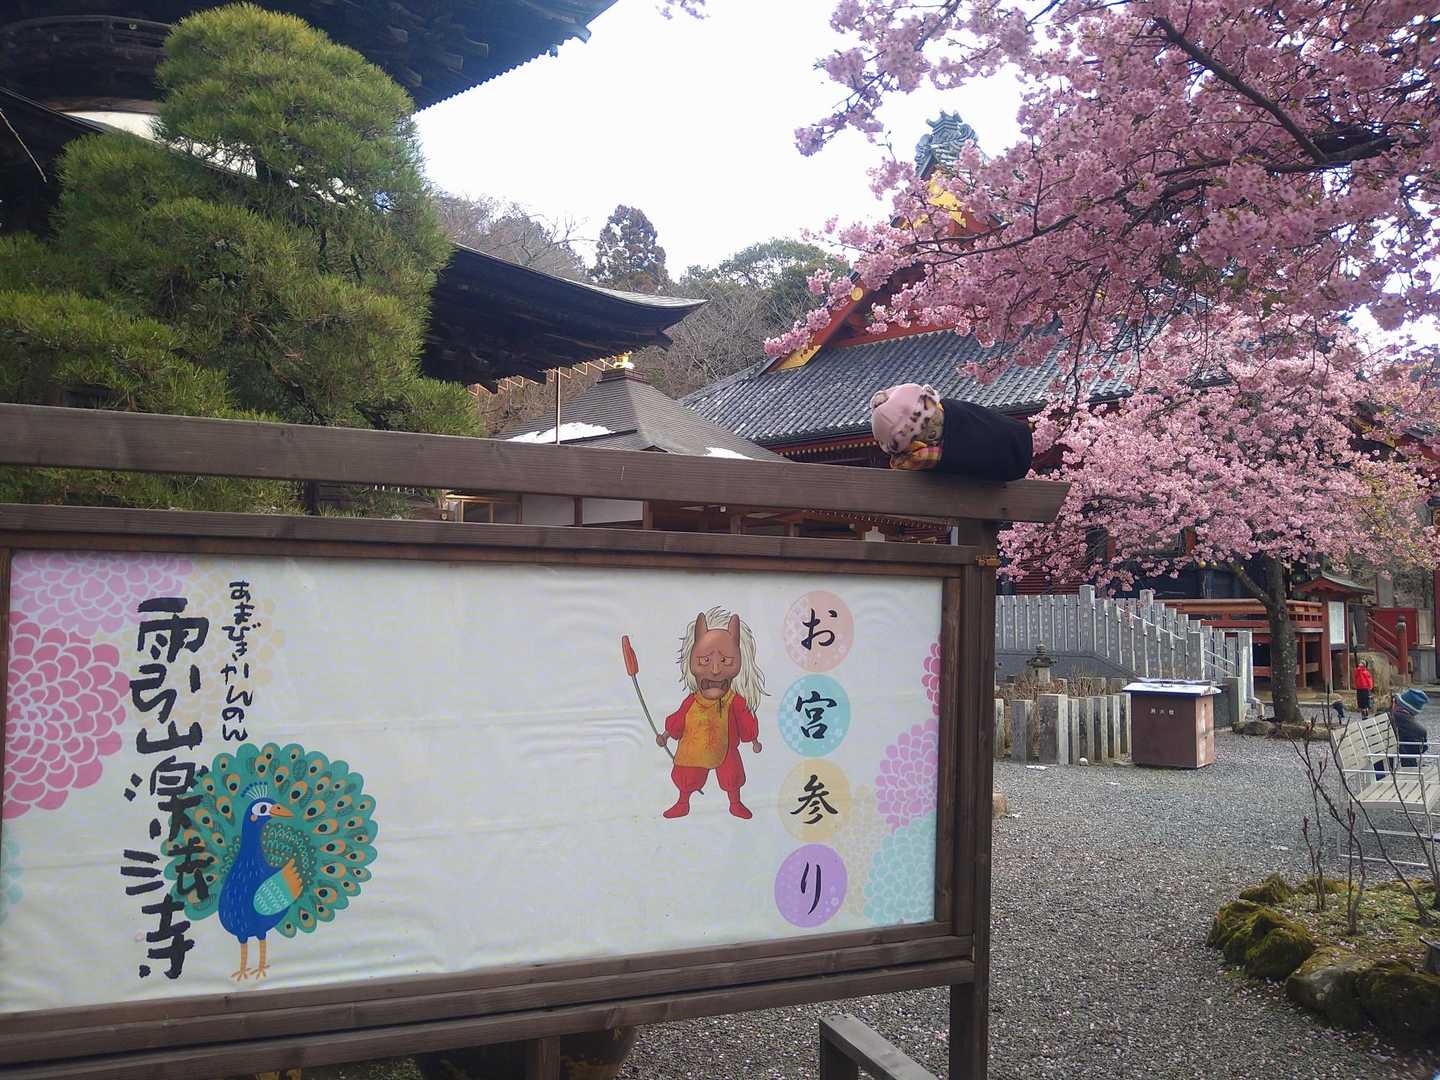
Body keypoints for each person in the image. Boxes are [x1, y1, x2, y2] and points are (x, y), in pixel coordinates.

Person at [1390, 688, 1430, 769]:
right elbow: (1422, 749)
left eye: (1395, 701)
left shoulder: (1387, 719)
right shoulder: (1420, 730)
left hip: (1384, 766)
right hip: (1409, 767)